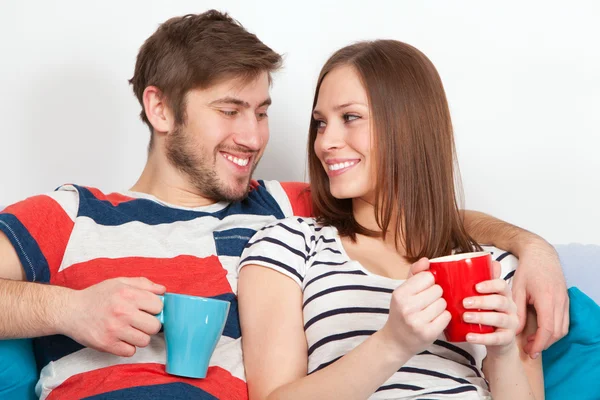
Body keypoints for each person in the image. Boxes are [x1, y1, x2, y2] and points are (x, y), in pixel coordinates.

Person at [0, 10, 561, 400]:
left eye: (263, 111)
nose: (253, 136)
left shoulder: (282, 207)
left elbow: (407, 210)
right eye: (229, 110)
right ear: (161, 109)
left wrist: (530, 247)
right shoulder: (76, 212)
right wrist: (69, 310)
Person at [238, 40, 545, 399]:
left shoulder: (497, 267)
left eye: (349, 117)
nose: (325, 142)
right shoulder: (288, 245)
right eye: (321, 124)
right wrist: (393, 343)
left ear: (408, 125)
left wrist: (504, 351)